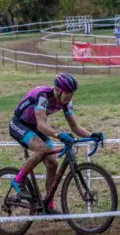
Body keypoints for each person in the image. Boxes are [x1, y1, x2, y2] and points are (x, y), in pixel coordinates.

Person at [8, 73, 104, 214]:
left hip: (34, 127)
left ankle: (48, 206)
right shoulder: (43, 95)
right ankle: (18, 180)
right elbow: (41, 125)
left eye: (72, 95)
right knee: (43, 149)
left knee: (53, 162)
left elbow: (74, 126)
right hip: (19, 124)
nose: (69, 98)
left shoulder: (65, 101)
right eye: (67, 95)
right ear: (58, 90)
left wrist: (91, 136)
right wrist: (58, 134)